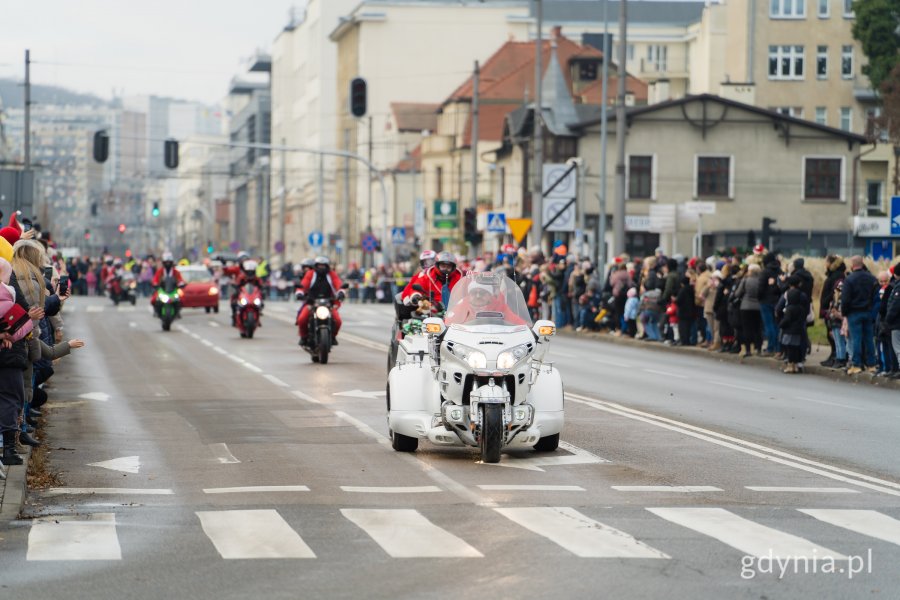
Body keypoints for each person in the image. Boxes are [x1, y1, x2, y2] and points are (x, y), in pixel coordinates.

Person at [444, 273, 527, 326]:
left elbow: (518, 323)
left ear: (490, 295)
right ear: (469, 295)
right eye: (473, 292)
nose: (477, 295)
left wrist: (526, 328)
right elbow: (449, 323)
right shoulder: (464, 304)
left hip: (496, 340)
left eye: (482, 293)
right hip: (468, 342)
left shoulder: (498, 304)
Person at [842, 255, 878, 375]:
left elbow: (845, 299)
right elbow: (875, 297)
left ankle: (857, 364)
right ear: (862, 264)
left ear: (852, 265)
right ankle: (871, 364)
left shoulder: (849, 279)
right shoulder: (872, 278)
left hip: (854, 312)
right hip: (868, 312)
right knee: (869, 339)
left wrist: (844, 312)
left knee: (856, 338)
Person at [296, 256, 344, 346]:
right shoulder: (310, 274)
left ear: (327, 266)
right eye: (319, 265)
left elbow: (338, 283)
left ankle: (333, 337)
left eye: (323, 266)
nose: (321, 268)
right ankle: (304, 337)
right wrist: (299, 293)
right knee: (302, 319)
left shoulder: (332, 274)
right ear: (315, 266)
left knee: (338, 321)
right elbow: (304, 284)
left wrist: (341, 292)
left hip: (328, 304)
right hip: (312, 303)